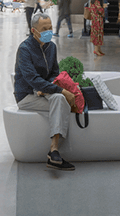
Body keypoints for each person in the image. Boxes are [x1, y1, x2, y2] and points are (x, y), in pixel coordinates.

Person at [12, 11, 77, 171]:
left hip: (43, 93)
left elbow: (54, 74)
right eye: (44, 28)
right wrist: (59, 90)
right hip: (26, 96)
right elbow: (32, 79)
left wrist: (46, 90)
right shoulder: (25, 49)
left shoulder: (51, 47)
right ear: (34, 30)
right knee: (61, 99)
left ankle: (53, 150)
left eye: (50, 27)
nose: (49, 31)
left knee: (59, 100)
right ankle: (55, 152)